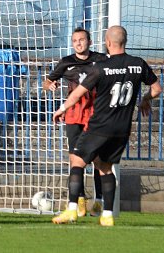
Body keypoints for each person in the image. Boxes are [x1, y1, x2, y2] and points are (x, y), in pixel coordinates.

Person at [51, 25, 162, 226]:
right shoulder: (139, 64)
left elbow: (77, 93)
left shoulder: (101, 67)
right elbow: (156, 89)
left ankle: (72, 209)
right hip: (122, 129)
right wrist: (145, 99)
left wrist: (61, 109)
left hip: (99, 126)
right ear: (125, 41)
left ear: (107, 43)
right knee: (105, 168)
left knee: (76, 161)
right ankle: (108, 215)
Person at [43, 27, 107, 217]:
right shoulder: (66, 62)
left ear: (89, 42)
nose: (78, 43)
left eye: (82, 40)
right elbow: (47, 82)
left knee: (98, 159)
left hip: (96, 116)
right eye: (75, 41)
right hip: (73, 116)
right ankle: (79, 200)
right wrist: (50, 85)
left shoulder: (102, 60)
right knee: (75, 160)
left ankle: (99, 200)